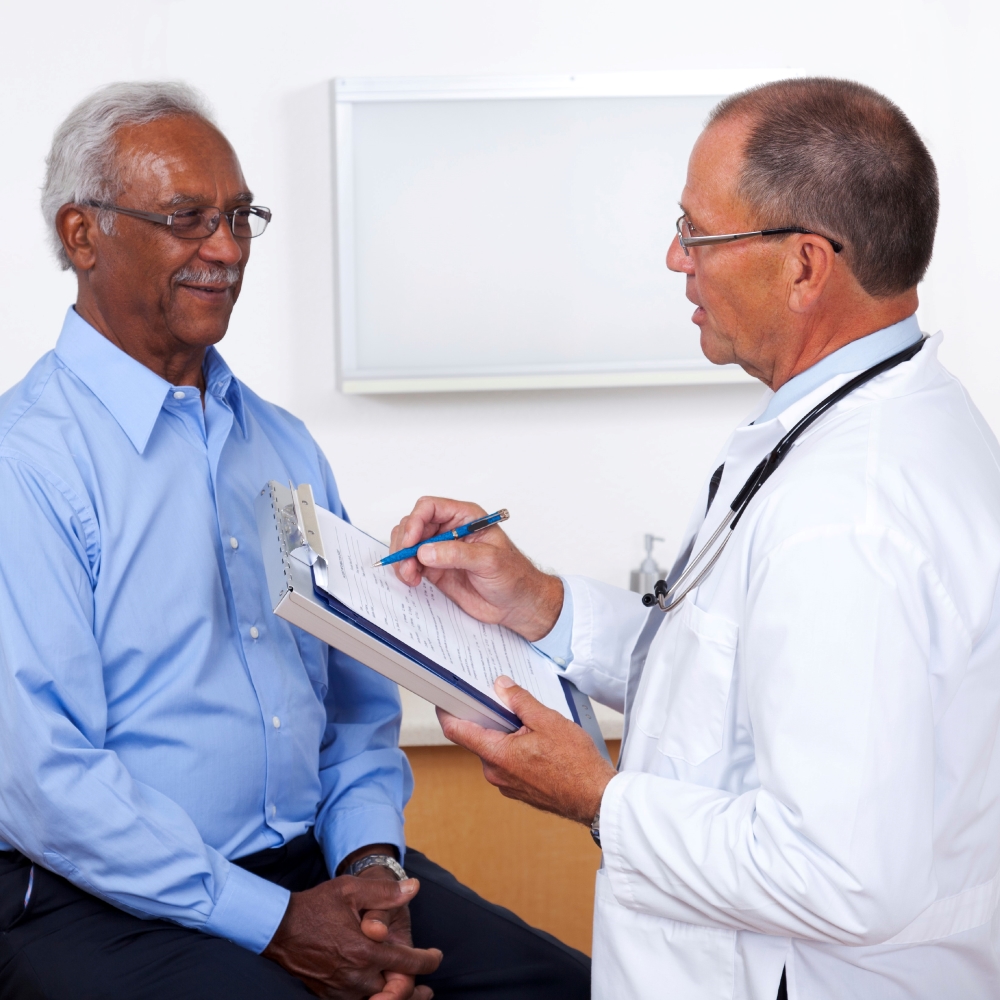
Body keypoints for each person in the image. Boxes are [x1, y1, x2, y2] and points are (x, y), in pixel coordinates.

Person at [387, 78, 1000, 999]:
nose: (676, 258)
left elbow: (842, 874)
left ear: (803, 266)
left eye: (697, 232)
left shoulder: (853, 509)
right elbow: (736, 695)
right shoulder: (853, 426)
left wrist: (597, 798)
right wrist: (543, 606)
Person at [0, 82, 590, 1000]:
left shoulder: (282, 446)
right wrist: (278, 925)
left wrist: (375, 872)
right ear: (83, 234)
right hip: (96, 900)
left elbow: (355, 703)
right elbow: (44, 782)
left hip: (316, 865)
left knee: (566, 987)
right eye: (187, 217)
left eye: (240, 217)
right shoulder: (25, 463)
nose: (227, 248)